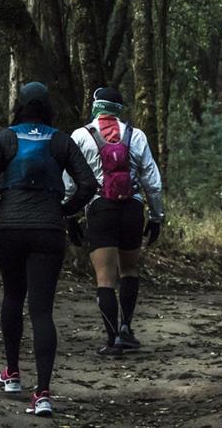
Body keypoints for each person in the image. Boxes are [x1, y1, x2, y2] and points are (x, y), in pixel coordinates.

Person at [0, 82, 97, 418]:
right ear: (48, 107)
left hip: (9, 227)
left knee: (13, 297)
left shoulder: (3, 138)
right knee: (42, 311)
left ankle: (12, 374)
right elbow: (89, 184)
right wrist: (65, 209)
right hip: (48, 229)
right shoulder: (60, 139)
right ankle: (42, 394)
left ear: (20, 106)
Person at [66, 86, 165, 355]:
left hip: (100, 209)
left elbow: (69, 183)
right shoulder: (137, 136)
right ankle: (126, 329)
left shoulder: (80, 136)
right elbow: (152, 182)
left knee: (105, 279)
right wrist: (156, 217)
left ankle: (112, 341)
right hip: (132, 208)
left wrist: (70, 216)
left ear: (96, 105)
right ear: (120, 109)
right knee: (129, 271)